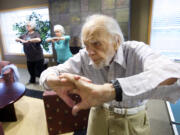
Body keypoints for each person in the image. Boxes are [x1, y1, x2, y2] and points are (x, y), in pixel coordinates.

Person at [40, 14, 180, 135]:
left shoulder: (136, 51)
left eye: (96, 44)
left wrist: (112, 90)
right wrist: (51, 80)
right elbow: (50, 73)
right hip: (98, 115)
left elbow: (173, 73)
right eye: (86, 45)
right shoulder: (85, 55)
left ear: (116, 41)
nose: (90, 52)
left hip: (132, 120)